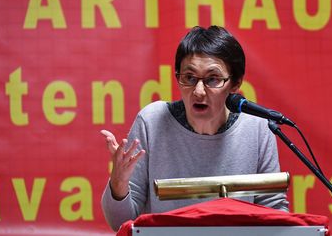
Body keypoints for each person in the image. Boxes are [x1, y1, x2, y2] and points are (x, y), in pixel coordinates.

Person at [101, 26, 289, 231]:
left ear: (235, 83)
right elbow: (121, 224)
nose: (198, 91)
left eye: (212, 79)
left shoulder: (258, 126)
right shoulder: (152, 121)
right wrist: (118, 185)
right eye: (189, 78)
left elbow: (274, 212)